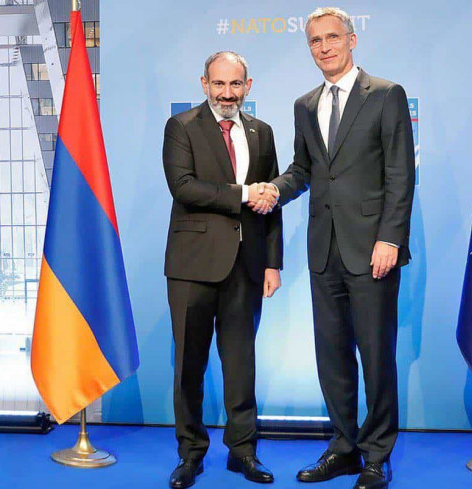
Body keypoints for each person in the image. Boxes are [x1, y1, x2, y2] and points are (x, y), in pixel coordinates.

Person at [250, 7, 415, 489]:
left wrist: (390, 237)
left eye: (332, 37)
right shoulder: (304, 105)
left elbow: (400, 173)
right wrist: (274, 189)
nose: (324, 47)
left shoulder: (385, 94)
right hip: (323, 251)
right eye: (314, 41)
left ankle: (377, 456)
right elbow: (303, 170)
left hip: (373, 251)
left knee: (376, 356)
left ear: (351, 39)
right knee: (332, 356)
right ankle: (344, 447)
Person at [162, 51, 283, 489]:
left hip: (246, 267)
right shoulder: (181, 126)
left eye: (235, 84)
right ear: (204, 84)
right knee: (188, 367)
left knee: (241, 365)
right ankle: (190, 454)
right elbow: (183, 187)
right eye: (219, 84)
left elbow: (272, 203)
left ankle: (243, 452)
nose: (227, 93)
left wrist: (273, 262)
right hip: (192, 265)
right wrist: (245, 193)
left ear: (248, 86)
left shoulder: (261, 131)